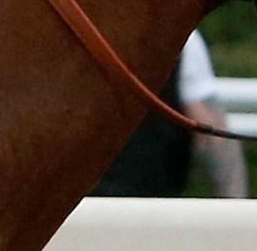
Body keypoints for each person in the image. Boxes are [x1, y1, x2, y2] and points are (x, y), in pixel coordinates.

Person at [90, 32, 248, 198]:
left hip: (75, 209)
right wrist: (236, 208)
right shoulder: (180, 36)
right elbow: (212, 135)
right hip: (150, 207)